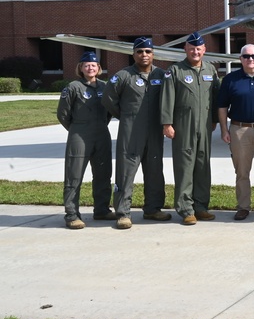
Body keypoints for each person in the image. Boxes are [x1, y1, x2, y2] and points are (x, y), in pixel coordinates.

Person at [102, 37, 168, 229]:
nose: (144, 55)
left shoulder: (160, 75)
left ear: (153, 53)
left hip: (154, 131)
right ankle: (123, 213)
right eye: (140, 51)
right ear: (133, 54)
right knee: (126, 171)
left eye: (148, 51)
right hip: (131, 131)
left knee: (155, 170)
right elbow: (108, 98)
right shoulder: (123, 76)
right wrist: (124, 115)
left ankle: (153, 209)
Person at [160, 33, 220, 225]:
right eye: (192, 48)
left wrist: (215, 120)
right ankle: (186, 209)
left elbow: (216, 97)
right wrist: (167, 123)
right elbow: (167, 98)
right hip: (183, 125)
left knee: (203, 165)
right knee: (185, 166)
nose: (195, 52)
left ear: (204, 50)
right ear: (185, 50)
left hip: (205, 125)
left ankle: (201, 206)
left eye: (199, 49)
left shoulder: (210, 69)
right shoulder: (175, 71)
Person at [217, 44, 254, 220]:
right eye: (246, 56)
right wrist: (223, 129)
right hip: (239, 129)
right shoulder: (230, 79)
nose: (250, 59)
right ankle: (243, 206)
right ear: (240, 59)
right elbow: (221, 106)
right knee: (242, 171)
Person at [57, 51, 113, 230]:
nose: (90, 68)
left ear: (99, 68)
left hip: (102, 133)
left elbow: (110, 111)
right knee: (74, 175)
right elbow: (63, 114)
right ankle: (72, 214)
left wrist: (99, 126)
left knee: (104, 173)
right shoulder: (73, 87)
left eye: (94, 65)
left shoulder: (105, 87)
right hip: (79, 134)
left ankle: (102, 209)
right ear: (80, 68)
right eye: (86, 65)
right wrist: (76, 129)